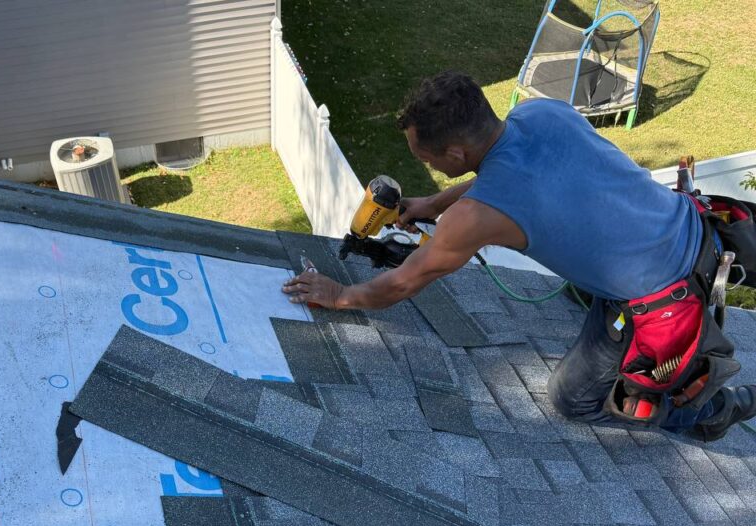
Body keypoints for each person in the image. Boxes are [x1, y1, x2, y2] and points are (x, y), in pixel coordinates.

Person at [282, 71, 756, 441]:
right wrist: (434, 203)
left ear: (455, 151)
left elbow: (404, 282)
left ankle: (709, 412)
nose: (425, 167)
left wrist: (340, 294)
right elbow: (507, 167)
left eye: (428, 161)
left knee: (573, 400)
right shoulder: (543, 113)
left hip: (665, 298)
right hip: (697, 228)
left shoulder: (475, 219)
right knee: (587, 282)